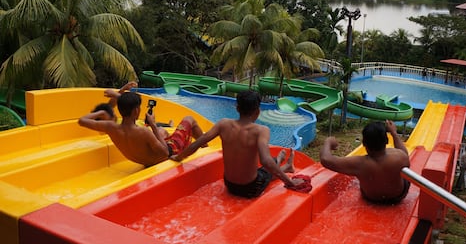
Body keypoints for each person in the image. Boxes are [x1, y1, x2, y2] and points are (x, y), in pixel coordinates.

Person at [171, 90, 308, 198]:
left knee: (266, 167)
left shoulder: (223, 124)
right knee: (269, 164)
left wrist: (178, 157)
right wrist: (290, 182)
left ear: (237, 108)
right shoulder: (261, 130)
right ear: (258, 112)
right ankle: (284, 165)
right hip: (250, 188)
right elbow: (265, 161)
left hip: (230, 185)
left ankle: (281, 162)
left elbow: (197, 143)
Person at [79, 91, 204, 167]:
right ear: (136, 110)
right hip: (165, 156)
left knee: (162, 131)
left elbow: (82, 121)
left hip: (142, 159)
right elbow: (165, 153)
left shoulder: (110, 127)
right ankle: (207, 150)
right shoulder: (143, 132)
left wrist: (101, 111)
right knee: (189, 119)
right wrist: (153, 125)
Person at [320, 120, 411, 204]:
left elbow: (325, 159)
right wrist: (394, 133)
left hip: (371, 198)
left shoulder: (358, 164)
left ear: (363, 143)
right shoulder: (400, 157)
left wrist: (328, 142)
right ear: (386, 141)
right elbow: (404, 153)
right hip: (397, 197)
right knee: (402, 171)